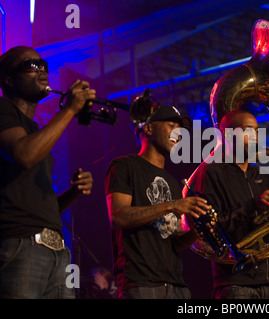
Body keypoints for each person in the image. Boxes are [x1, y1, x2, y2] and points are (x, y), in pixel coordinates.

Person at [0, 46, 94, 299]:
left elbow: (44, 207)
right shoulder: (3, 111)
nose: (41, 69)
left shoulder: (36, 131)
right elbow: (24, 155)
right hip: (20, 245)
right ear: (8, 80)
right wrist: (69, 110)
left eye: (42, 64)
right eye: (30, 65)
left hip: (57, 251)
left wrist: (74, 193)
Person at [104, 89, 210, 299]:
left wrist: (199, 230)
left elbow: (174, 241)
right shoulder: (124, 166)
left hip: (177, 286)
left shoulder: (172, 181)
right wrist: (171, 206)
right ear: (150, 128)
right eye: (171, 126)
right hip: (141, 284)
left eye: (180, 129)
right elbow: (119, 216)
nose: (178, 134)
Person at [189, 110, 269, 299]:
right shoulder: (212, 172)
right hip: (236, 282)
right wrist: (253, 205)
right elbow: (210, 231)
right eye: (248, 131)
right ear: (227, 135)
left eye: (257, 131)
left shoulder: (261, 174)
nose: (255, 137)